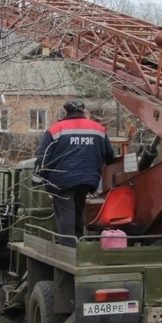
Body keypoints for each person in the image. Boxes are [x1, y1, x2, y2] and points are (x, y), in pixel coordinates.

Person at [34, 100, 116, 246]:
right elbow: (110, 156)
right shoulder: (98, 130)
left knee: (66, 212)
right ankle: (78, 245)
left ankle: (68, 249)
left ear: (66, 112)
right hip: (88, 179)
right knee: (78, 211)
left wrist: (38, 177)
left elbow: (43, 157)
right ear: (83, 111)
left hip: (61, 180)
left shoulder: (56, 129)